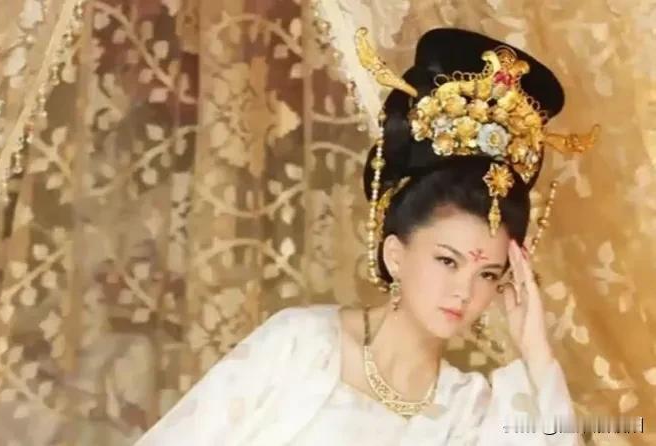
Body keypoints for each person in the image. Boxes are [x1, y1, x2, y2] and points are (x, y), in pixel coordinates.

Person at [135, 27, 597, 445]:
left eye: (488, 274)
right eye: (447, 261)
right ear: (395, 254)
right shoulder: (304, 345)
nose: (465, 291)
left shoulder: (470, 411)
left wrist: (535, 349)